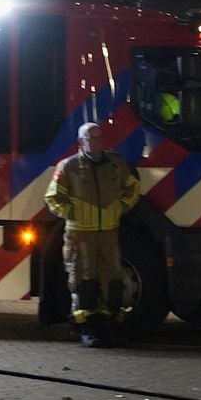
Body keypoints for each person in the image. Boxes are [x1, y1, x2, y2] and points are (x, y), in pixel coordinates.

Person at [44, 122, 141, 347]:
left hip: (108, 233)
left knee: (112, 280)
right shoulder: (68, 167)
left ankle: (109, 327)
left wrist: (121, 207)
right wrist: (72, 213)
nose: (95, 142)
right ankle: (86, 329)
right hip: (79, 236)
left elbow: (132, 187)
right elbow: (52, 197)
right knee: (83, 281)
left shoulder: (116, 164)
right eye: (90, 138)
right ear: (80, 142)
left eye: (98, 138)